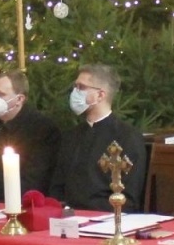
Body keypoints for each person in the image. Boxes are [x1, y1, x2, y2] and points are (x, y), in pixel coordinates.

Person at [49, 64, 146, 211]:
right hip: (67, 218)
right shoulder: (71, 136)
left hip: (107, 219)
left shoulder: (128, 137)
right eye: (75, 87)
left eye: (81, 87)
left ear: (100, 95)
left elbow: (129, 198)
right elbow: (57, 188)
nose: (75, 92)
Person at [0, 69, 61, 202]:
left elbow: (36, 179)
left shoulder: (41, 129)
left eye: (0, 94)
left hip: (19, 204)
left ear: (19, 99)